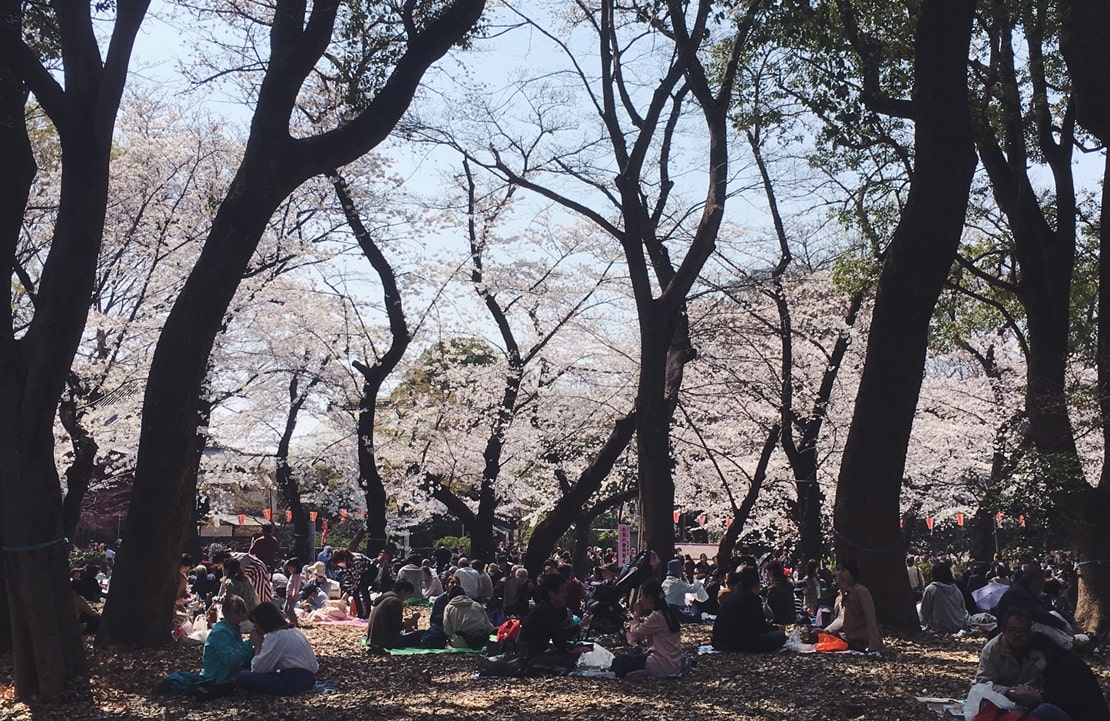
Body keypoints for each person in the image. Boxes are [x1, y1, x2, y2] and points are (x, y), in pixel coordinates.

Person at [975, 607, 1071, 721]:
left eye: (1022, 631)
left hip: (1035, 703)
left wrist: (1037, 694)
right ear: (1004, 631)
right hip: (1002, 706)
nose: (1017, 635)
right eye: (1013, 630)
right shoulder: (992, 650)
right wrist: (1008, 691)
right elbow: (983, 684)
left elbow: (1053, 681)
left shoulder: (1039, 647)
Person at [157, 595, 254, 694]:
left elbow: (240, 656)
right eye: (236, 612)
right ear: (226, 612)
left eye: (242, 612)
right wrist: (250, 644)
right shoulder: (220, 632)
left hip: (229, 672)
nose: (240, 616)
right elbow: (229, 659)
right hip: (218, 677)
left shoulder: (234, 630)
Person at [237, 601, 319, 695]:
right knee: (246, 667)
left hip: (294, 682)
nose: (255, 626)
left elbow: (258, 669)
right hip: (308, 678)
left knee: (242, 676)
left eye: (256, 622)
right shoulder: (294, 631)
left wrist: (258, 646)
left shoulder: (276, 636)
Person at [1028, 630, 1110, 721]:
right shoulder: (1054, 666)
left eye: (1036, 659)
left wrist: (1039, 697)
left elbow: (1067, 700)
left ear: (1046, 651)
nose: (1036, 664)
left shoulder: (1066, 665)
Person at [611, 580, 683, 680]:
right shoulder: (668, 613)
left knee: (619, 662)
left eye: (641, 596)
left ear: (649, 598)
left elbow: (633, 637)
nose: (640, 600)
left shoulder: (656, 617)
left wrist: (636, 616)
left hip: (661, 664)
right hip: (674, 664)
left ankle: (645, 673)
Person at [711, 566, 786, 653]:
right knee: (780, 636)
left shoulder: (736, 596)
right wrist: (776, 628)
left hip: (720, 640)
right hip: (734, 643)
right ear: (757, 584)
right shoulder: (752, 599)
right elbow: (761, 627)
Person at [824, 560, 883, 652]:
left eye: (843, 570)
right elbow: (841, 619)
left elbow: (870, 618)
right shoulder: (840, 597)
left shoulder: (861, 591)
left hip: (862, 640)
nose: (839, 573)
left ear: (852, 574)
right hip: (848, 639)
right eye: (838, 570)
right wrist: (826, 631)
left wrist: (874, 645)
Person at [518, 574, 579, 659]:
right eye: (563, 590)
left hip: (537, 653)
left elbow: (559, 642)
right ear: (552, 594)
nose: (566, 594)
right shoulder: (544, 611)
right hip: (529, 658)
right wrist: (580, 626)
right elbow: (559, 637)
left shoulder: (553, 609)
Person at [366, 579, 422, 652]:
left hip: (374, 639)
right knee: (422, 634)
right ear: (403, 591)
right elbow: (397, 628)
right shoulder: (395, 602)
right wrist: (412, 620)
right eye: (408, 595)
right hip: (387, 641)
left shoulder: (385, 598)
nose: (407, 598)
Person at [919, 561, 970, 633]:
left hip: (939, 627)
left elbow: (924, 612)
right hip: (958, 625)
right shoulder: (956, 590)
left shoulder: (931, 589)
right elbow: (962, 609)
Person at [661, 558, 706, 623]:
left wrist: (684, 579)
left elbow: (685, 586)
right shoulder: (677, 582)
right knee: (695, 610)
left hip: (668, 609)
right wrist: (696, 579)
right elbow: (694, 589)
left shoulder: (665, 582)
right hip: (676, 609)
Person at [763, 561, 796, 627]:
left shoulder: (773, 589)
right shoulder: (788, 586)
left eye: (766, 573)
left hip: (778, 625)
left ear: (771, 573)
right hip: (791, 623)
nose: (765, 576)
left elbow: (768, 612)